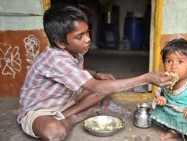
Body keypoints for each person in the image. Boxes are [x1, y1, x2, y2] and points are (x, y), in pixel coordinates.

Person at [17, 4, 174, 141]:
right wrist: (146, 78)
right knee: (54, 132)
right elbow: (96, 88)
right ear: (60, 42)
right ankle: (75, 116)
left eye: (87, 32)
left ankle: (66, 114)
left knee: (108, 86)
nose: (87, 39)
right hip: (40, 109)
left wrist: (96, 74)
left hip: (65, 98)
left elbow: (73, 71)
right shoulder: (55, 58)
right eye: (80, 36)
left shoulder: (74, 51)